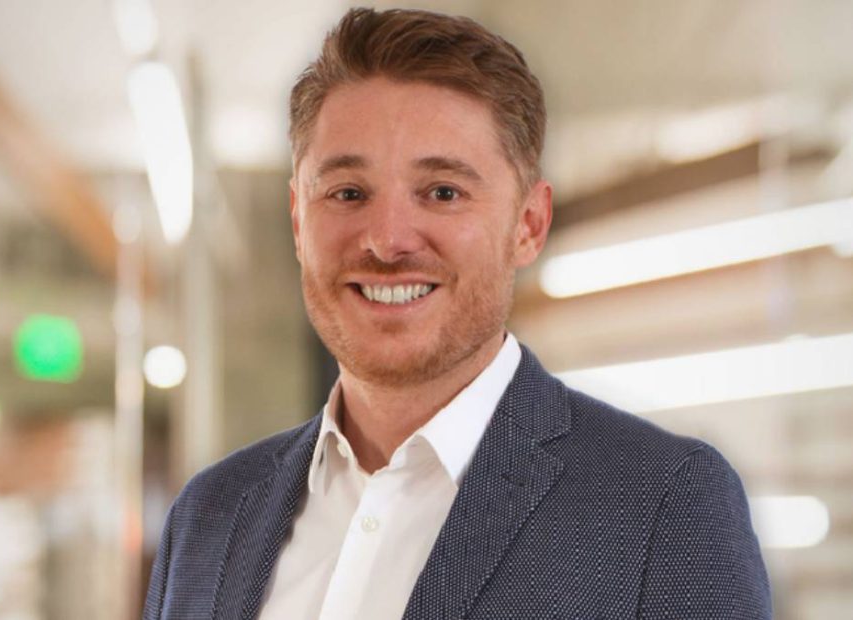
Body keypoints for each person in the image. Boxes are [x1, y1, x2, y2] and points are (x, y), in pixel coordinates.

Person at [143, 8, 771, 619]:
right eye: (348, 193)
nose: (387, 239)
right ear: (298, 222)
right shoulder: (207, 516)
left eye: (443, 192)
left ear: (529, 224)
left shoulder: (663, 508)